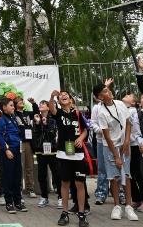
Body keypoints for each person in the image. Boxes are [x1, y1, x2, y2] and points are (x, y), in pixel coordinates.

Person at [94, 83, 138, 221]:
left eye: (108, 89)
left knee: (126, 174)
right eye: (106, 91)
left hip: (124, 145)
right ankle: (117, 206)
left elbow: (128, 123)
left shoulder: (120, 104)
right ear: (100, 97)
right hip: (110, 147)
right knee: (114, 177)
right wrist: (116, 156)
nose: (109, 92)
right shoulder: (101, 112)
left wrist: (126, 142)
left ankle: (129, 207)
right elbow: (106, 136)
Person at [49, 90, 90, 227]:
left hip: (78, 154)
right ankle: (65, 213)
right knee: (65, 183)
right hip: (63, 153)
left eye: (66, 95)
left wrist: (80, 138)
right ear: (59, 101)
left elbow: (85, 130)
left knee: (79, 183)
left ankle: (82, 213)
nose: (63, 96)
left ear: (71, 100)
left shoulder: (78, 114)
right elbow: (51, 108)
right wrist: (52, 97)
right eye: (61, 96)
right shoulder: (59, 114)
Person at [0, 96, 26, 214]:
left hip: (17, 150)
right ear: (4, 107)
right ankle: (9, 202)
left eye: (13, 105)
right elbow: (0, 136)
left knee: (17, 176)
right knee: (8, 177)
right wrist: (6, 150)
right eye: (11, 106)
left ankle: (17, 201)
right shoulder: (2, 119)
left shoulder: (14, 118)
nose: (13, 107)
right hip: (8, 151)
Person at [33, 99, 60, 208]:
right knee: (41, 175)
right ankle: (44, 197)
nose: (41, 105)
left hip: (52, 150)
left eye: (43, 104)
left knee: (57, 174)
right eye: (40, 104)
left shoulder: (53, 118)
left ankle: (61, 197)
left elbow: (53, 134)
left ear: (49, 107)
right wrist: (38, 124)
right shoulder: (36, 117)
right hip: (41, 150)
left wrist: (46, 124)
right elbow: (35, 133)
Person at [14, 96, 37, 199]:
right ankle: (19, 188)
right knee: (20, 166)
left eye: (22, 101)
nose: (22, 102)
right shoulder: (14, 114)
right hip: (20, 141)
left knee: (29, 165)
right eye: (19, 101)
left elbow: (36, 113)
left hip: (29, 142)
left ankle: (30, 188)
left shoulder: (27, 113)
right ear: (15, 104)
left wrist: (34, 103)